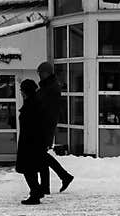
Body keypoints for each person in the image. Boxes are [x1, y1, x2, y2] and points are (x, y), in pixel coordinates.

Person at [36, 61, 74, 196]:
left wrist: (46, 131)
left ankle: (63, 177)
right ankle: (51, 183)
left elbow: (49, 111)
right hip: (44, 126)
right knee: (41, 156)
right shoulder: (49, 87)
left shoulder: (51, 88)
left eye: (40, 73)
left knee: (41, 156)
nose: (39, 75)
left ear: (46, 73)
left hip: (44, 127)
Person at [16, 79, 46, 205]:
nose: (20, 92)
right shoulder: (34, 102)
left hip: (30, 142)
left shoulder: (32, 104)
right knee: (31, 169)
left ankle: (35, 193)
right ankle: (37, 191)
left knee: (28, 170)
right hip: (32, 141)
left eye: (22, 90)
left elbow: (33, 124)